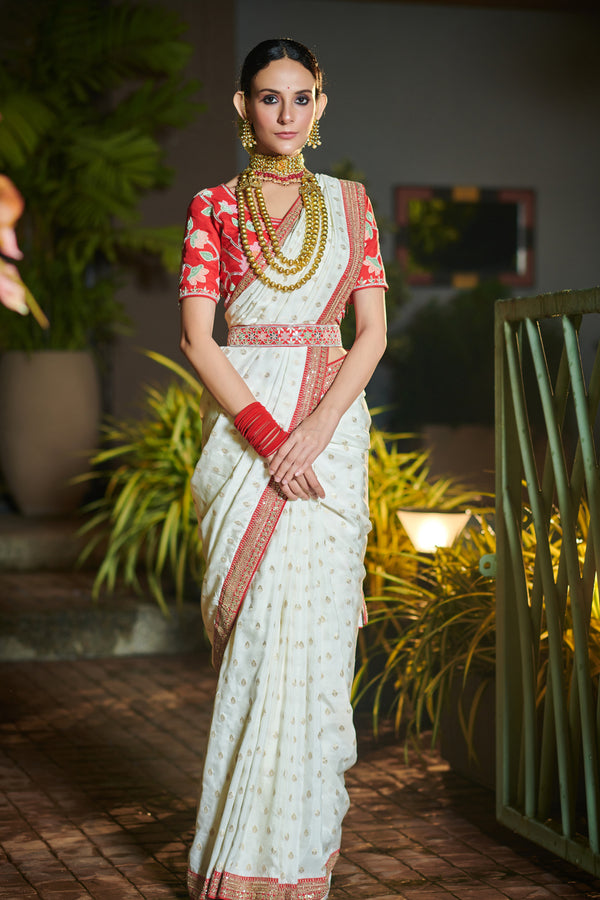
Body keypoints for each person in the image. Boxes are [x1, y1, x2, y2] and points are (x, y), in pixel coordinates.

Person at [179, 37, 387, 900]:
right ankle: (238, 865)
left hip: (330, 438)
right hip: (248, 432)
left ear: (323, 104)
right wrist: (271, 438)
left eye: (303, 99)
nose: (288, 115)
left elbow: (370, 332)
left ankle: (298, 865)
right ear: (242, 107)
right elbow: (198, 338)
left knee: (318, 648)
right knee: (263, 646)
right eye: (270, 99)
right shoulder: (214, 207)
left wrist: (317, 429)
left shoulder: (352, 204)